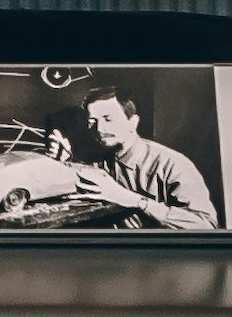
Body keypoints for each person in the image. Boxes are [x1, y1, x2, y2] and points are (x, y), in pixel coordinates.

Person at [56, 84, 219, 232]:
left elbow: (206, 225)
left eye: (108, 119)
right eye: (92, 121)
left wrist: (138, 202)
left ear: (133, 122)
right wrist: (62, 161)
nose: (100, 128)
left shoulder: (172, 164)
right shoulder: (96, 157)